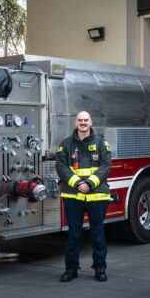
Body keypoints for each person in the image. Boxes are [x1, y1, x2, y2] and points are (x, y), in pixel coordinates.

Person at [56, 111, 112, 282]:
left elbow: (105, 166)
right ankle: (71, 269)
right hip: (73, 196)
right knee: (74, 234)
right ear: (76, 123)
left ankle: (100, 269)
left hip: (97, 196)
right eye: (80, 120)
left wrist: (89, 184)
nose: (83, 122)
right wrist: (78, 184)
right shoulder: (66, 144)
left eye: (86, 120)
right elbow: (61, 167)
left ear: (91, 122)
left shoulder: (101, 143)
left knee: (98, 234)